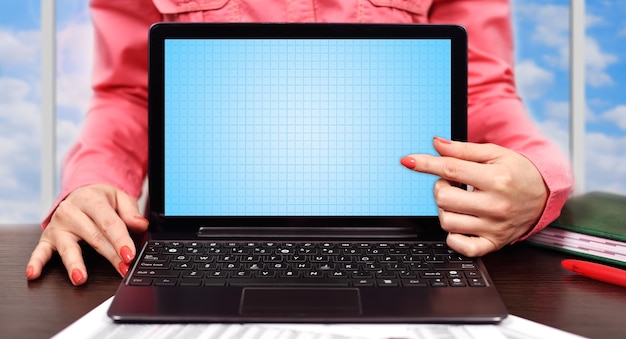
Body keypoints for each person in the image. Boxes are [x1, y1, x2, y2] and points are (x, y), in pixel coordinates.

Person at [26, 0, 573, 286]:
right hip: (205, 240)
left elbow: (479, 87)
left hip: (405, 238)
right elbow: (129, 92)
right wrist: (93, 186)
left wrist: (537, 176)